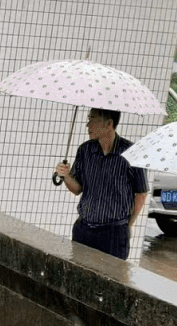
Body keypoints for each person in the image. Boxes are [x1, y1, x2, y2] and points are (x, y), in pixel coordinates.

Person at [53, 108, 147, 260]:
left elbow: (141, 193)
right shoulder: (85, 150)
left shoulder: (131, 153)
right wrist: (65, 176)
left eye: (92, 119)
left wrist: (129, 225)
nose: (88, 125)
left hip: (114, 234)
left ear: (109, 123)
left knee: (111, 279)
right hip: (84, 230)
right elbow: (77, 189)